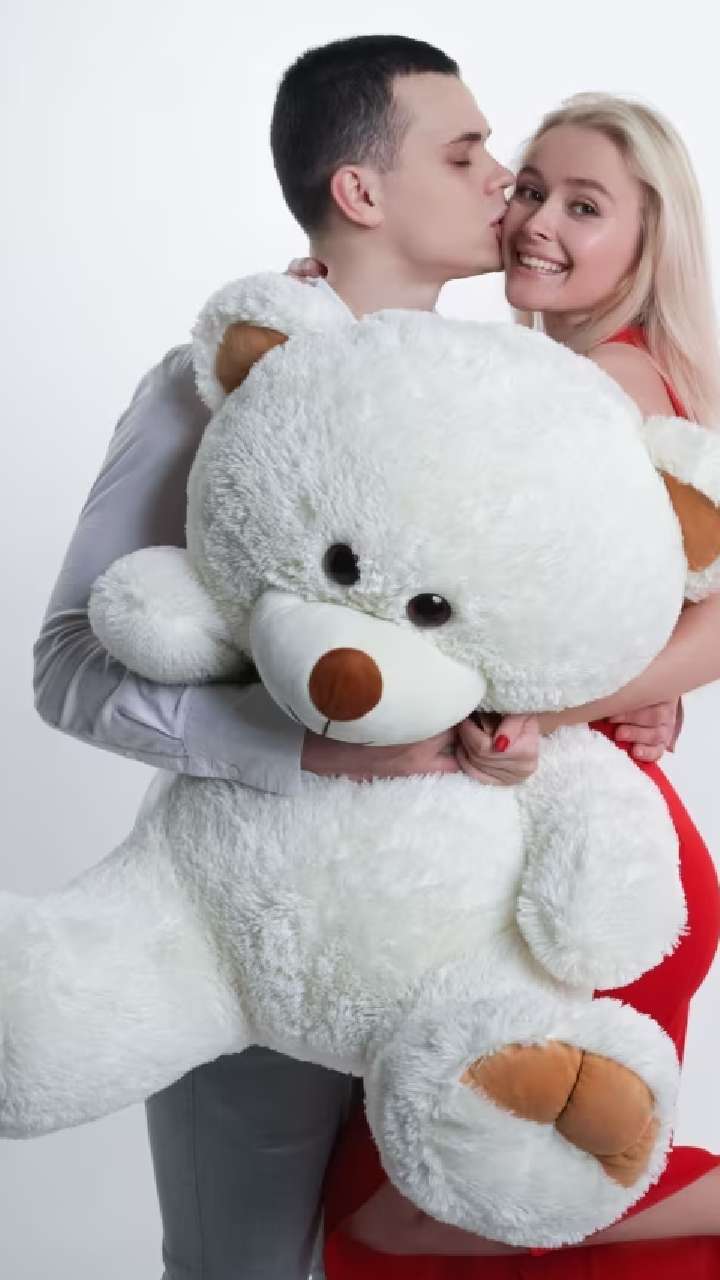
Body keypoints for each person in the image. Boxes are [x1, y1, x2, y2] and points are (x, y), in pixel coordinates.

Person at [32, 34, 684, 1280]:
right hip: (257, 927)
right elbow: (69, 665)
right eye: (467, 152)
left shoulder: (488, 394)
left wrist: (612, 702)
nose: (503, 180)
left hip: (462, 959)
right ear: (361, 191)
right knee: (248, 1262)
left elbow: (524, 621)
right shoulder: (217, 382)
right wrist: (305, 751)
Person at [319, 94, 720, 1277]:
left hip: (583, 869)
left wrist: (552, 704)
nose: (539, 220)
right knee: (464, 1206)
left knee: (413, 1209)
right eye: (532, 188)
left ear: (648, 239)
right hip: (578, 852)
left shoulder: (609, 380)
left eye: (585, 206)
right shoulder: (577, 372)